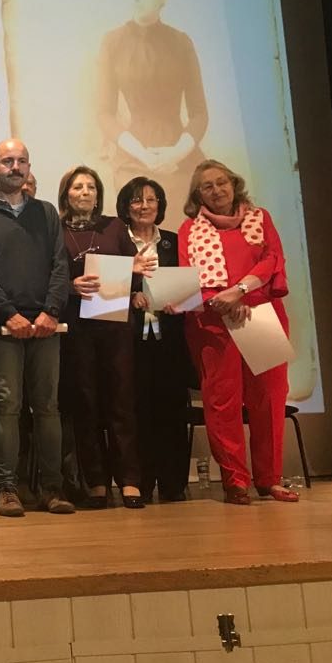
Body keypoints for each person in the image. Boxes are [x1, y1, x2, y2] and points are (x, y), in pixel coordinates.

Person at [0, 140, 74, 517]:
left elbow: (60, 266)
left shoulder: (46, 213)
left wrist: (50, 312)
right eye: (7, 161)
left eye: (21, 161)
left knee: (47, 407)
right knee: (6, 405)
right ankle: (7, 489)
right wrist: (8, 313)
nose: (15, 167)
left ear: (29, 167)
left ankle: (52, 488)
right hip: (3, 326)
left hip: (46, 326)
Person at [176, 159, 297, 505]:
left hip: (261, 316)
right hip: (214, 324)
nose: (217, 190)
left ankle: (270, 479)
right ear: (198, 195)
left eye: (222, 182)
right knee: (222, 402)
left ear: (234, 184)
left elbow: (272, 260)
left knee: (269, 399)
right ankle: (235, 481)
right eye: (207, 186)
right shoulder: (189, 229)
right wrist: (224, 301)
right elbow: (188, 275)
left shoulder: (261, 218)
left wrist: (241, 292)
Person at [58, 165, 147, 509]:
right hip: (78, 326)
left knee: (121, 401)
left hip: (115, 324)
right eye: (78, 187)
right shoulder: (57, 231)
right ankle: (96, 480)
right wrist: (71, 286)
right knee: (86, 403)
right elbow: (51, 277)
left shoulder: (114, 227)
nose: (85, 192)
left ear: (98, 195)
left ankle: (130, 480)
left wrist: (133, 271)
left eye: (91, 187)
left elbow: (135, 274)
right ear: (66, 194)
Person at [98, 0, 207, 201]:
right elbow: (104, 113)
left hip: (179, 153)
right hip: (133, 156)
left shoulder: (181, 42)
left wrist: (176, 153)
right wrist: (143, 155)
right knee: (137, 199)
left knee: (193, 195)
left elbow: (199, 113)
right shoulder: (112, 42)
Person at [117, 176, 193, 502]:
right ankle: (142, 482)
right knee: (136, 410)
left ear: (160, 205)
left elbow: (192, 285)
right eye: (136, 200)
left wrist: (182, 301)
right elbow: (106, 288)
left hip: (171, 338)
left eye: (151, 200)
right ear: (126, 207)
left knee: (172, 408)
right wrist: (130, 295)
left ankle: (174, 483)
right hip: (130, 339)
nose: (144, 206)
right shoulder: (117, 243)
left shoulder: (175, 242)